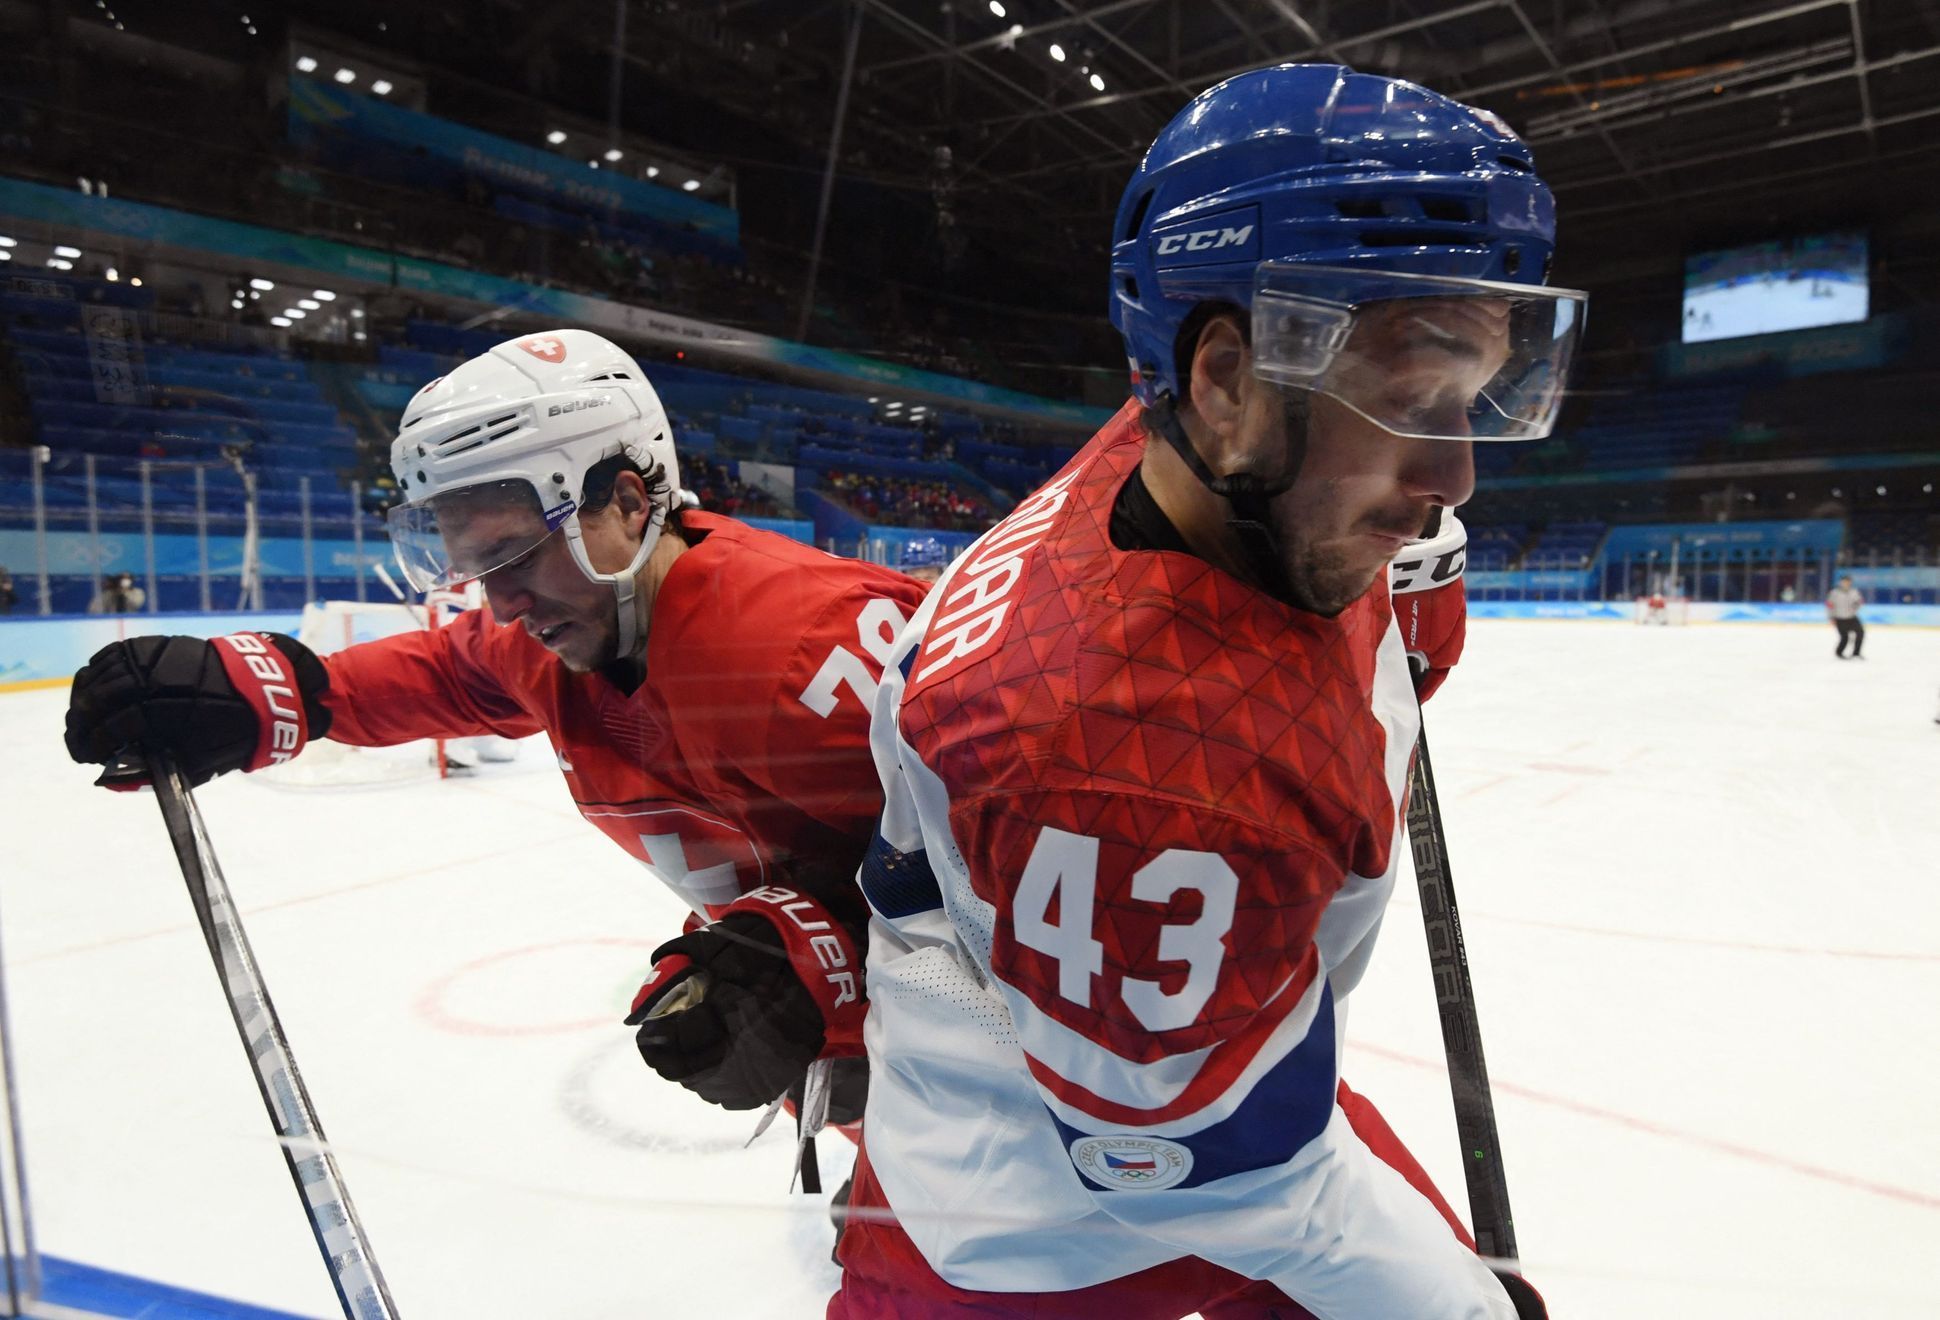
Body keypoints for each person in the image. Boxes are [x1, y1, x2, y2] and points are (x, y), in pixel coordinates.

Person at [830, 65, 1582, 1318]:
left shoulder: (1188, 442)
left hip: (1177, 1071)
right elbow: (1204, 1182)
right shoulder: (1133, 758)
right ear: (1226, 380)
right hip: (1055, 1220)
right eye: (1410, 398)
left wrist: (1385, 508)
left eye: (1471, 399)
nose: (1456, 474)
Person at [63, 329, 928, 1144]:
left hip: (986, 1075)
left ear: (628, 502)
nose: (501, 604)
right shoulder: (567, 629)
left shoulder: (806, 650)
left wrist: (824, 952)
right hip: (872, 1063)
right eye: (474, 569)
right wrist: (276, 690)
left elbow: (1015, 867)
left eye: (515, 558)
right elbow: (455, 668)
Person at [1827, 574, 1865, 658]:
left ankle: (1856, 653)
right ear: (1841, 582)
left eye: (1848, 581)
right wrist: (1831, 617)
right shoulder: (1834, 592)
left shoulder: (1854, 591)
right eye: (1844, 581)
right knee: (1845, 637)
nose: (1846, 583)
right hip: (1840, 618)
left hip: (1851, 617)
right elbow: (1830, 606)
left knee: (1860, 633)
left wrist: (1856, 607)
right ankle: (1839, 652)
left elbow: (1859, 602)